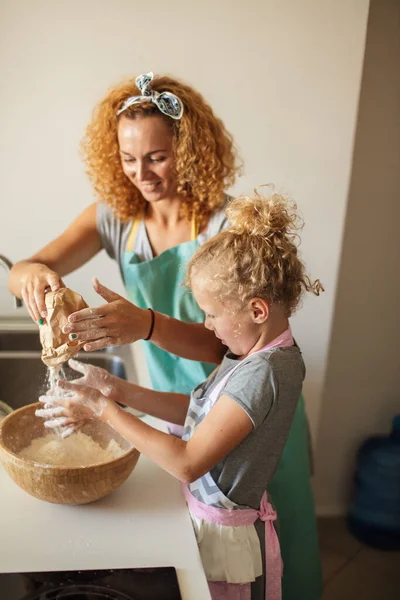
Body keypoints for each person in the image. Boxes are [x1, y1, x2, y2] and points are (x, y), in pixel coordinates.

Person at [8, 72, 322, 599]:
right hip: (180, 408)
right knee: (205, 555)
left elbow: (222, 348)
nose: (141, 174)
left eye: (156, 156)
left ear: (190, 148)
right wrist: (35, 278)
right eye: (129, 160)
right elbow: (26, 267)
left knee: (270, 548)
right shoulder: (115, 220)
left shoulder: (226, 227)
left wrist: (146, 325)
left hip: (250, 407)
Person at [38, 192, 323, 600]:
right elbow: (199, 410)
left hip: (222, 544)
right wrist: (117, 390)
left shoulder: (267, 372)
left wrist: (104, 410)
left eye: (211, 313)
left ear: (257, 311)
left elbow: (187, 463)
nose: (207, 326)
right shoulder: (250, 355)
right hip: (202, 522)